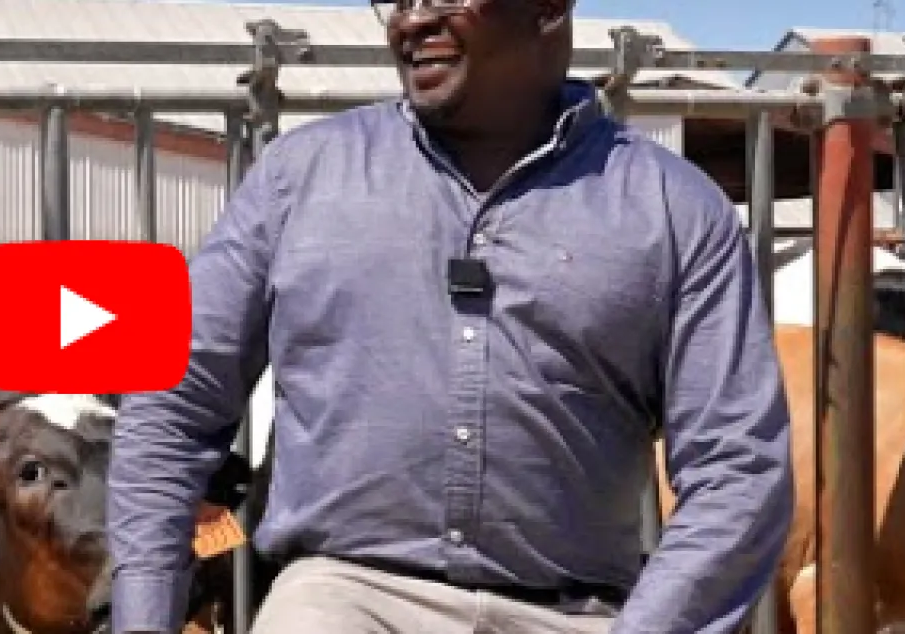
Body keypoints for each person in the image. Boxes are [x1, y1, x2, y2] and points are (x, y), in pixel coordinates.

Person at [106, 0, 794, 632]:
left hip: (580, 616)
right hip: (346, 599)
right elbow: (173, 399)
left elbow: (739, 469)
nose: (413, 20)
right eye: (398, 1)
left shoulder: (673, 211)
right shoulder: (300, 179)